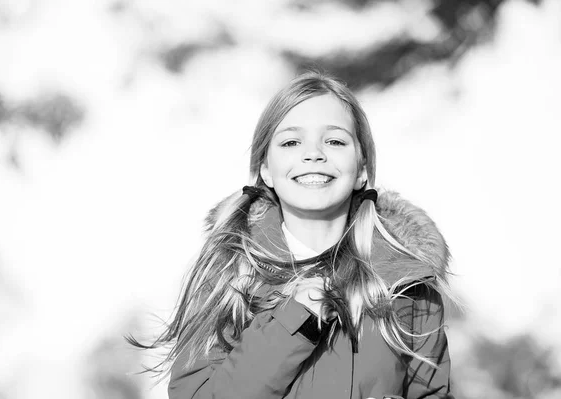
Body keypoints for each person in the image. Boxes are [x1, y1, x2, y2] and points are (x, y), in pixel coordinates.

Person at [129, 71, 456, 398]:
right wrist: (294, 320)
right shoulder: (231, 276)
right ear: (265, 169)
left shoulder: (406, 284)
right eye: (291, 142)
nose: (313, 154)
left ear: (362, 169)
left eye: (335, 141)